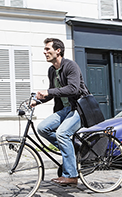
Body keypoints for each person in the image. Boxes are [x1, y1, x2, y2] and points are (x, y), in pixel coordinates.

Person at [30, 38, 88, 186]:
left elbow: (73, 89)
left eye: (48, 49)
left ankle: (71, 175)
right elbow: (54, 93)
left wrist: (48, 91)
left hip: (79, 109)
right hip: (64, 110)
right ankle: (69, 148)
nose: (45, 52)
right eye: (45, 49)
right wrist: (38, 101)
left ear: (58, 51)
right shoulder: (51, 70)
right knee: (43, 128)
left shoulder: (70, 66)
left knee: (62, 133)